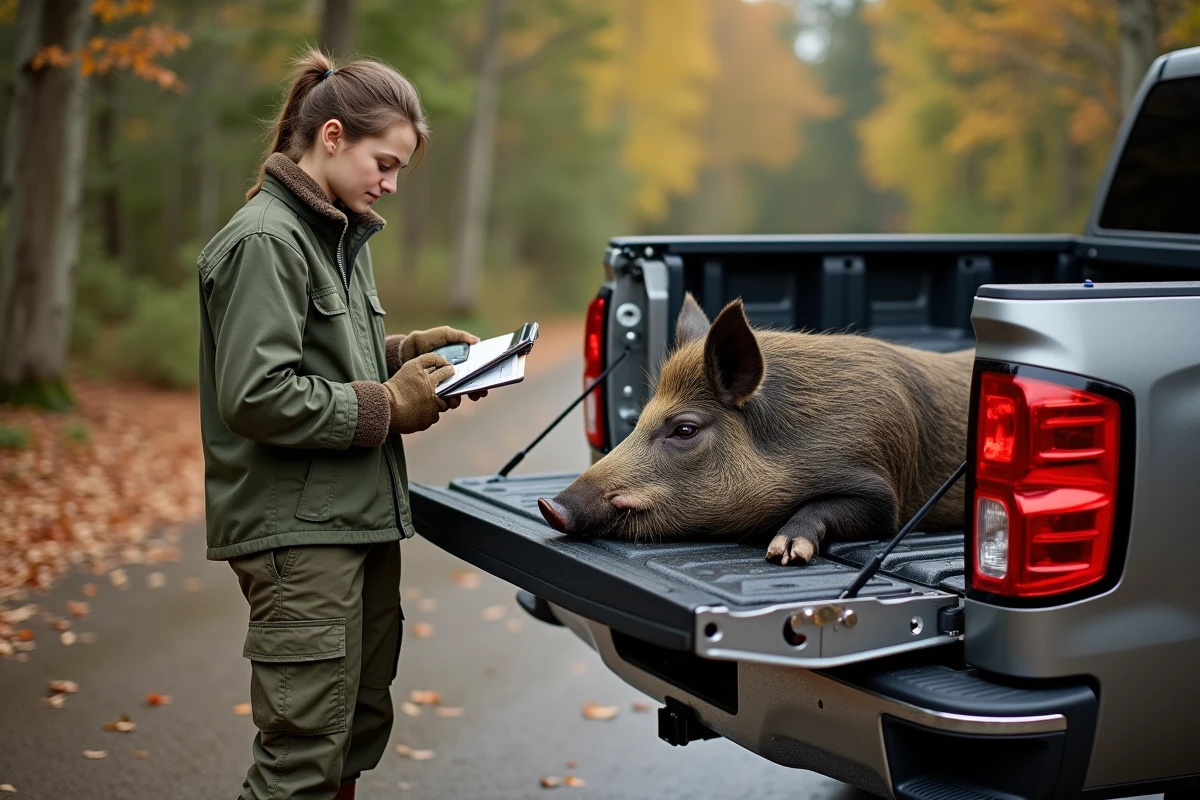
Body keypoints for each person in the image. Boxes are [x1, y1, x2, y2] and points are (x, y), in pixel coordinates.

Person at [196, 47, 483, 800]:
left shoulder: (334, 234)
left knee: (350, 734)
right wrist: (392, 404)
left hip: (350, 523)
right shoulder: (267, 240)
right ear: (330, 137)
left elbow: (325, 354)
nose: (389, 184)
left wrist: (408, 354)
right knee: (301, 756)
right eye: (383, 163)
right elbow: (256, 395)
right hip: (300, 533)